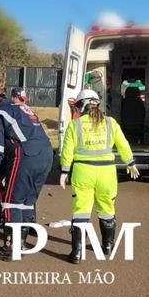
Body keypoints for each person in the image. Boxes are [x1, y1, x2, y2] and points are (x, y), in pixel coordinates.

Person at [59, 89, 139, 264]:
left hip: (83, 172)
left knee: (80, 211)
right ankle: (107, 246)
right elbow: (123, 144)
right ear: (97, 104)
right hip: (106, 173)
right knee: (106, 210)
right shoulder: (111, 123)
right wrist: (130, 163)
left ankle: (77, 253)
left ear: (81, 105)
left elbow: (67, 151)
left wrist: (64, 172)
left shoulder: (75, 124)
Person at [0, 87, 53, 258]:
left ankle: (11, 248)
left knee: (11, 202)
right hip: (46, 154)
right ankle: (21, 242)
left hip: (26, 155)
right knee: (27, 201)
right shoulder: (23, 109)